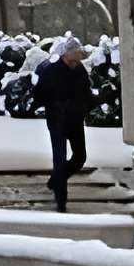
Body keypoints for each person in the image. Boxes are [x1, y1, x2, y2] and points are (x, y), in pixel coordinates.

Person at [37, 35, 95, 212]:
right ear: (66, 54)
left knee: (80, 157)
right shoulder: (51, 71)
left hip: (76, 120)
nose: (77, 60)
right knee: (59, 159)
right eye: (74, 56)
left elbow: (86, 94)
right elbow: (39, 95)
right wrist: (54, 104)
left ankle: (55, 181)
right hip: (57, 121)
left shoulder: (80, 70)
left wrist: (94, 102)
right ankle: (61, 201)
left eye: (79, 57)